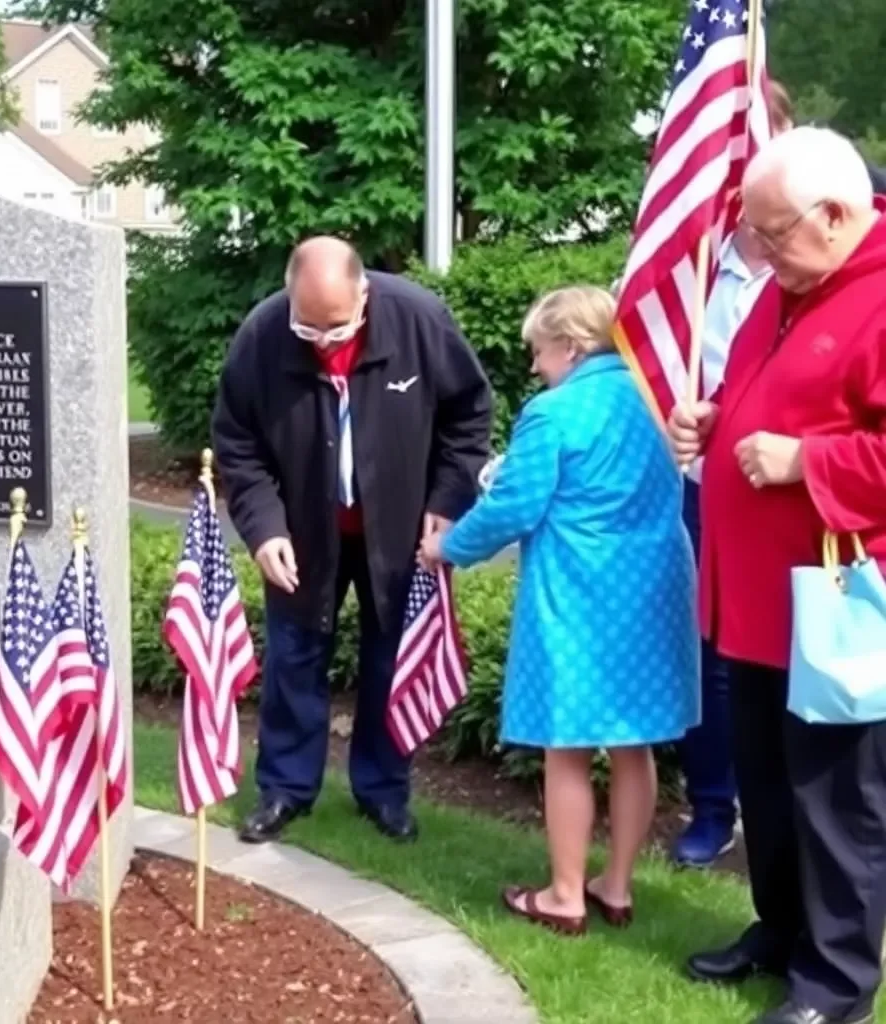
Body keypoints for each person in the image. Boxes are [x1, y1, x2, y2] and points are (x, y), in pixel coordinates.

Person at [671, 127, 886, 1024]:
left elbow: (832, 441)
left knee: (836, 800)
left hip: (835, 603)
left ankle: (836, 981)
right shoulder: (790, 284)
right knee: (766, 782)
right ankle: (782, 928)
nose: (756, 253)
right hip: (756, 598)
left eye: (771, 233)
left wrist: (808, 461)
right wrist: (712, 422)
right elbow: (767, 394)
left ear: (836, 216)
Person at [421, 286, 699, 936]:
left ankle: (566, 895)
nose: (535, 365)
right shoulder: (661, 400)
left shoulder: (554, 411)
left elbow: (514, 507)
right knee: (635, 742)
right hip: (656, 584)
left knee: (567, 745)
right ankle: (618, 886)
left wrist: (446, 546)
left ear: (570, 347)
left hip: (578, 590)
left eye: (538, 351)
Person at [212, 236, 492, 844]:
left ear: (364, 293)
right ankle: (285, 789)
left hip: (400, 529)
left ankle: (383, 791)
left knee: (392, 658)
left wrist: (448, 502)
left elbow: (469, 416)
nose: (323, 341)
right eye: (307, 327)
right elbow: (238, 443)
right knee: (294, 654)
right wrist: (264, 528)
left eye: (335, 327)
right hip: (305, 530)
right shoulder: (263, 336)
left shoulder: (419, 320)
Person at [672, 79, 795, 868]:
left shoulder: (818, 266)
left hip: (800, 498)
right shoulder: (687, 264)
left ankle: (792, 817)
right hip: (702, 489)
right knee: (713, 655)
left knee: (804, 653)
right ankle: (714, 805)